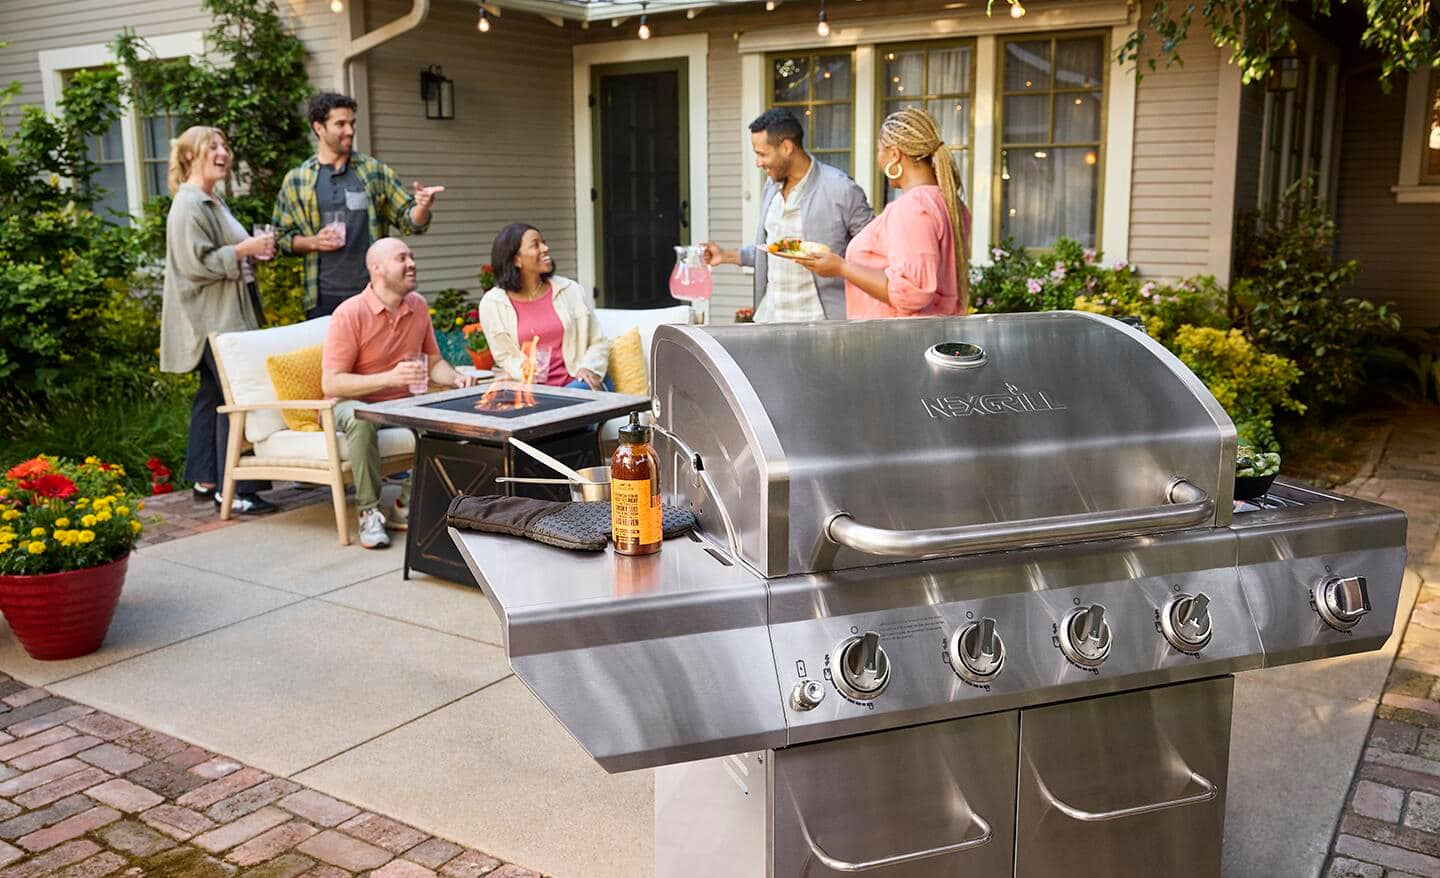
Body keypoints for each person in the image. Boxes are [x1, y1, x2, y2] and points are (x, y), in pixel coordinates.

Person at [321, 238, 477, 549]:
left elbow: (433, 362)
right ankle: (369, 512)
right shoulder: (350, 313)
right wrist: (389, 378)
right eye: (401, 258)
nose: (411, 263)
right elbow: (332, 383)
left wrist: (456, 377)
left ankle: (405, 506)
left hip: (402, 405)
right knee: (361, 419)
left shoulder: (417, 305)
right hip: (349, 405)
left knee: (446, 420)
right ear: (376, 269)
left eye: (412, 256)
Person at [159, 125, 279, 516]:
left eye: (225, 144)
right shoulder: (189, 204)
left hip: (227, 313)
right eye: (213, 146)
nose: (223, 151)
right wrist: (243, 249)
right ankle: (237, 489)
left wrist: (251, 253)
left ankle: (206, 478)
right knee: (238, 397)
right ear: (191, 155)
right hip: (214, 319)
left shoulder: (212, 200)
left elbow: (225, 253)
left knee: (212, 396)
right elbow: (197, 265)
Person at [273, 92, 446, 319]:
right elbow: (281, 237)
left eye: (352, 123)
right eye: (340, 124)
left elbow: (409, 219)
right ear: (319, 128)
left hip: (374, 293)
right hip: (322, 298)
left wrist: (422, 206)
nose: (350, 131)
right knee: (332, 356)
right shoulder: (297, 180)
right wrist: (312, 242)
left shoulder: (374, 172)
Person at [794, 106, 970, 319]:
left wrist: (840, 267)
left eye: (879, 151)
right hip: (932, 339)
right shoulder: (950, 203)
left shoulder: (912, 207)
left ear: (895, 154)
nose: (878, 159)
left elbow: (912, 292)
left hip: (899, 343)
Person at [700, 108, 873, 322]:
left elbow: (873, 254)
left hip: (820, 324)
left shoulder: (841, 189)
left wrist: (840, 267)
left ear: (786, 147)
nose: (758, 162)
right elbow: (774, 250)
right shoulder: (771, 187)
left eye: (762, 154)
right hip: (770, 319)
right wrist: (725, 255)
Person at [478, 223, 613, 390]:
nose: (545, 248)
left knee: (571, 398)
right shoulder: (493, 304)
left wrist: (588, 367)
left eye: (543, 242)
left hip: (582, 385)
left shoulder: (570, 290)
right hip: (536, 392)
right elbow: (504, 357)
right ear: (516, 259)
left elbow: (598, 341)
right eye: (536, 245)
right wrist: (525, 371)